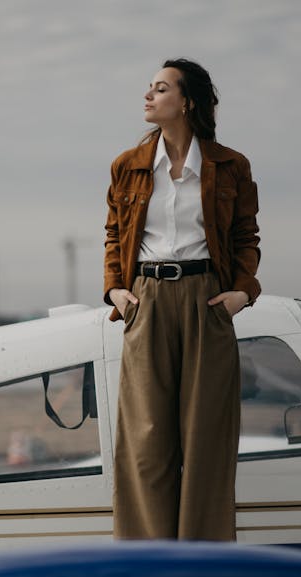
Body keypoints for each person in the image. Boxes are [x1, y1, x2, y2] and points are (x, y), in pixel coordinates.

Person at [104, 58, 260, 541]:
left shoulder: (229, 166)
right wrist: (115, 289)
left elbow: (245, 236)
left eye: (160, 88)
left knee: (206, 439)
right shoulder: (127, 165)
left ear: (187, 101)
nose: (148, 96)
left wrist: (241, 293)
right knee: (146, 443)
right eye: (149, 88)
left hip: (206, 300)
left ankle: (207, 560)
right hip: (145, 300)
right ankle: (147, 561)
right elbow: (114, 233)